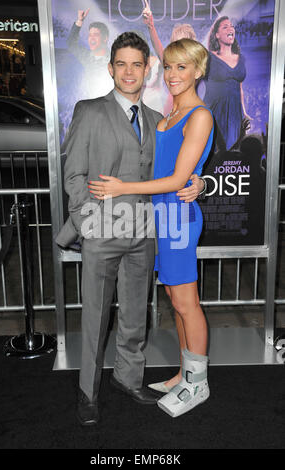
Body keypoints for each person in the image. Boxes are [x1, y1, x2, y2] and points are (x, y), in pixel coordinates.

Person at [56, 32, 205, 425]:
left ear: (146, 69)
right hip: (101, 235)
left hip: (145, 235)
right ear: (110, 68)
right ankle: (88, 392)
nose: (128, 71)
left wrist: (199, 183)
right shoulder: (88, 110)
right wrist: (89, 225)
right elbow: (73, 176)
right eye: (120, 63)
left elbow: (175, 173)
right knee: (95, 318)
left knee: (136, 316)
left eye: (136, 64)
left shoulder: (158, 121)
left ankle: (128, 378)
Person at [204, 16, 251, 150]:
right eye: (225, 27)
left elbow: (239, 88)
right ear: (217, 35)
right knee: (215, 154)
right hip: (215, 114)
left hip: (235, 115)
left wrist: (244, 112)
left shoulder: (241, 58)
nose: (230, 28)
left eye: (231, 26)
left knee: (233, 154)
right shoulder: (208, 57)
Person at [67, 8, 113, 99]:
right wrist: (79, 22)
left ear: (105, 38)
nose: (91, 38)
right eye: (90, 35)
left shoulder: (115, 59)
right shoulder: (86, 56)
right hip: (90, 102)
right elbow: (71, 43)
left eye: (96, 35)